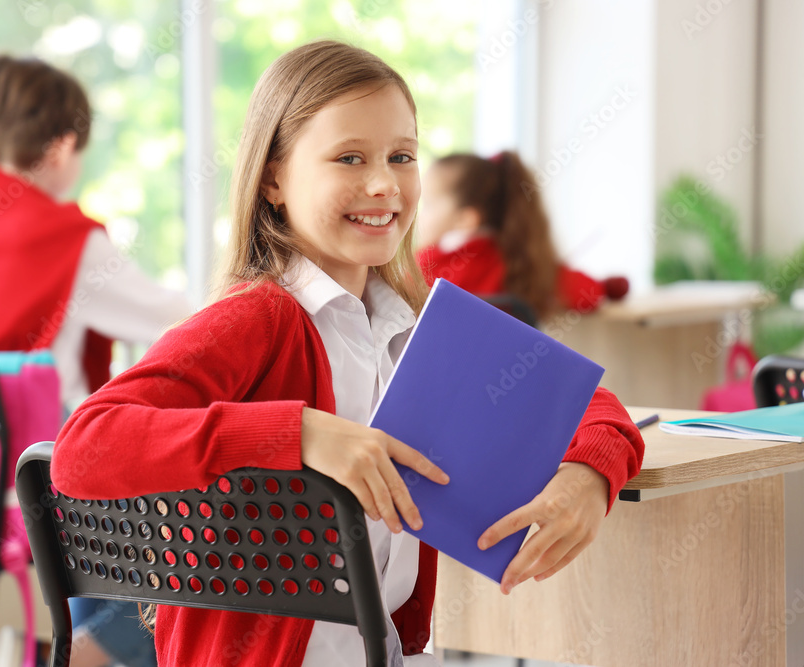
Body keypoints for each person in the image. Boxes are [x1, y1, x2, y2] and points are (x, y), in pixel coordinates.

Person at [51, 41, 645, 667]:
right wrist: (301, 432)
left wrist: (587, 478)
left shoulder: (415, 321)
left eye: (402, 156)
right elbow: (83, 448)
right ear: (274, 178)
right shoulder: (255, 319)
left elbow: (590, 406)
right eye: (349, 157)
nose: (384, 183)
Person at [0, 54, 187, 667]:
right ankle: (81, 654)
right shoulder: (67, 239)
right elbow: (179, 321)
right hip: (42, 467)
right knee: (180, 562)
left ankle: (61, 646)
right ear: (62, 147)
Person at [417, 151, 629, 321]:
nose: (419, 215)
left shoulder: (423, 266)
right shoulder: (523, 262)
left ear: (466, 219)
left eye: (427, 205)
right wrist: (607, 287)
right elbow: (585, 293)